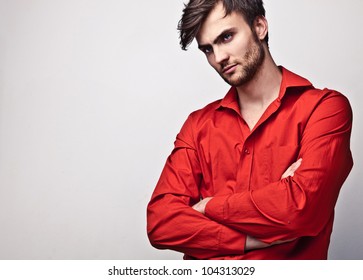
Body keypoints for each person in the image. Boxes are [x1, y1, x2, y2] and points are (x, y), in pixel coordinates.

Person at [147, 0, 353, 259]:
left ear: (259, 26)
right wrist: (249, 239)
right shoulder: (197, 125)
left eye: (227, 37)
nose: (219, 57)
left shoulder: (324, 109)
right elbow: (160, 223)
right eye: (208, 49)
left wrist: (207, 206)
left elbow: (301, 210)